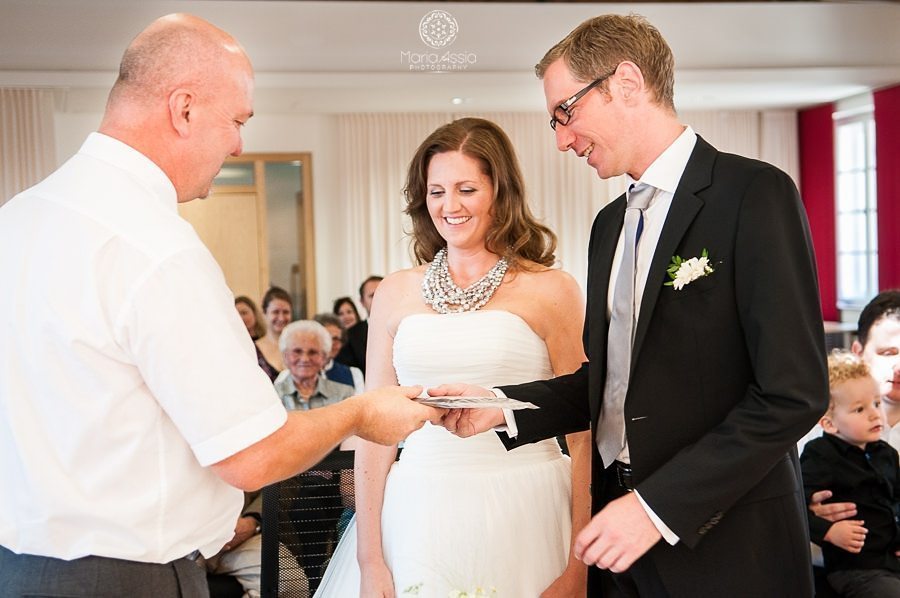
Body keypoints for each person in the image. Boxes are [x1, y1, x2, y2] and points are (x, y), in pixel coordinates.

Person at [0, 14, 443, 597]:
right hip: (126, 576)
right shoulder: (155, 246)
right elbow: (250, 454)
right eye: (236, 120)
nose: (239, 143)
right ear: (183, 109)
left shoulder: (19, 218)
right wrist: (362, 413)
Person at [438, 14, 827, 597]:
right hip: (616, 540)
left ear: (625, 82)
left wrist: (655, 508)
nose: (561, 139)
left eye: (565, 113)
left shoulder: (752, 195)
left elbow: (792, 395)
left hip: (727, 543)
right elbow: (616, 380)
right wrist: (503, 405)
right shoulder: (609, 225)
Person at [315, 117, 591, 597]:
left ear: (500, 192)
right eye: (437, 191)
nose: (450, 206)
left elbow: (584, 429)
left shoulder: (552, 289)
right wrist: (369, 558)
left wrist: (577, 566)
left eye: (467, 189)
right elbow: (374, 432)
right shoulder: (395, 291)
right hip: (420, 506)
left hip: (528, 506)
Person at [801, 351, 900, 597]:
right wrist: (828, 532)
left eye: (876, 403)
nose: (874, 414)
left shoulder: (885, 453)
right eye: (859, 409)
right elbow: (796, 505)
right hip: (855, 568)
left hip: (891, 559)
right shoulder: (820, 455)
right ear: (829, 423)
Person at [808, 291, 900, 538]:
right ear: (858, 351)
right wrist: (806, 508)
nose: (899, 367)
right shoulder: (814, 427)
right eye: (888, 353)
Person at [274, 320, 356, 592]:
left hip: (335, 482)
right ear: (285, 356)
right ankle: (312, 584)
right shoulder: (272, 398)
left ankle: (325, 584)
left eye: (312, 352)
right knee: (304, 509)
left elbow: (352, 445)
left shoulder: (345, 395)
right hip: (288, 485)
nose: (304, 359)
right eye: (297, 352)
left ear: (325, 356)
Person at [336, 276, 383, 375]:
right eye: (372, 295)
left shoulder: (406, 328)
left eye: (384, 293)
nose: (380, 298)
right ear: (362, 302)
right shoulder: (351, 336)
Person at [314, 312, 365, 394]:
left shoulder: (354, 374)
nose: (330, 343)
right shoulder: (293, 374)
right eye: (326, 337)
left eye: (336, 339)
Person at [256, 286, 294, 377]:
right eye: (275, 312)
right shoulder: (252, 349)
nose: (281, 318)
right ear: (264, 314)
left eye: (286, 312)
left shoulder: (301, 347)